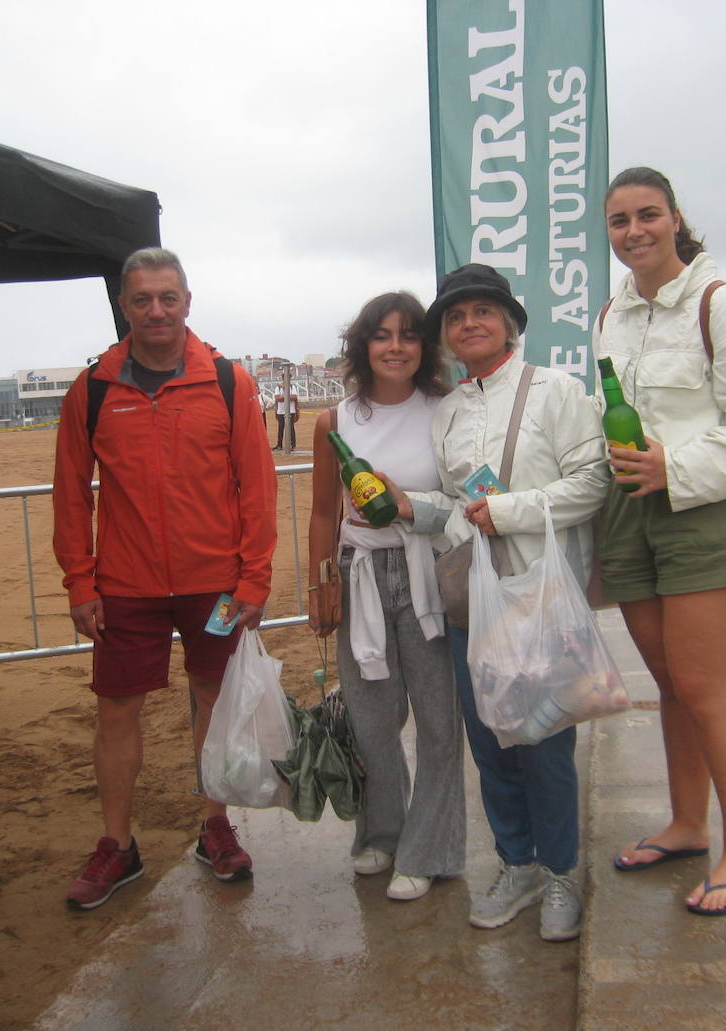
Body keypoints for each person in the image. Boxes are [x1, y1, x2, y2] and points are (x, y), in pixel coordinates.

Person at [382, 264, 610, 942]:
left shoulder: (558, 392)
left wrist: (507, 510)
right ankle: (519, 862)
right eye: (456, 316)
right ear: (446, 336)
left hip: (542, 597)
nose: (469, 323)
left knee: (544, 742)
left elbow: (592, 482)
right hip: (473, 600)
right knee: (491, 743)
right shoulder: (449, 411)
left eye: (483, 311)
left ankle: (564, 869)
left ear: (510, 323)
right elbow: (457, 506)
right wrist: (411, 507)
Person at [593, 167, 726, 917]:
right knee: (672, 684)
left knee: (710, 689)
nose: (635, 231)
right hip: (631, 513)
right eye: (619, 221)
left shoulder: (722, 304)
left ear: (676, 218)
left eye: (648, 215)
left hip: (705, 512)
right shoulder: (610, 315)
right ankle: (686, 823)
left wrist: (674, 467)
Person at [53, 247, 277, 909]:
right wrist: (80, 581)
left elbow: (256, 489)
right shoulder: (91, 389)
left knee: (213, 699)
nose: (156, 310)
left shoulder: (229, 382)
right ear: (124, 305)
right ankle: (117, 846)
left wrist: (254, 579)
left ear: (187, 302)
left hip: (215, 583)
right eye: (142, 298)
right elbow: (71, 493)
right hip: (125, 584)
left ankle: (215, 826)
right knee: (117, 710)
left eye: (167, 297)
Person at [306, 291, 465, 903]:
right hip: (361, 574)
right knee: (372, 720)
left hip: (432, 573)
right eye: (382, 335)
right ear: (363, 345)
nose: (395, 347)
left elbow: (470, 496)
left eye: (408, 335)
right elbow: (323, 510)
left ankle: (430, 850)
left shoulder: (448, 410)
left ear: (424, 346)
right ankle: (381, 831)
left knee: (439, 724)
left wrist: (411, 509)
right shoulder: (336, 422)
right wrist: (323, 582)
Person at [274, 386, 300, 450]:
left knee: (291, 428)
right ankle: (279, 445)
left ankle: (293, 445)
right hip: (281, 411)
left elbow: (294, 397)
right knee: (280, 429)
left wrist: (283, 397)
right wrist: (289, 397)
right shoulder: (278, 387)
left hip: (291, 411)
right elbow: (277, 398)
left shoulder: (292, 387)